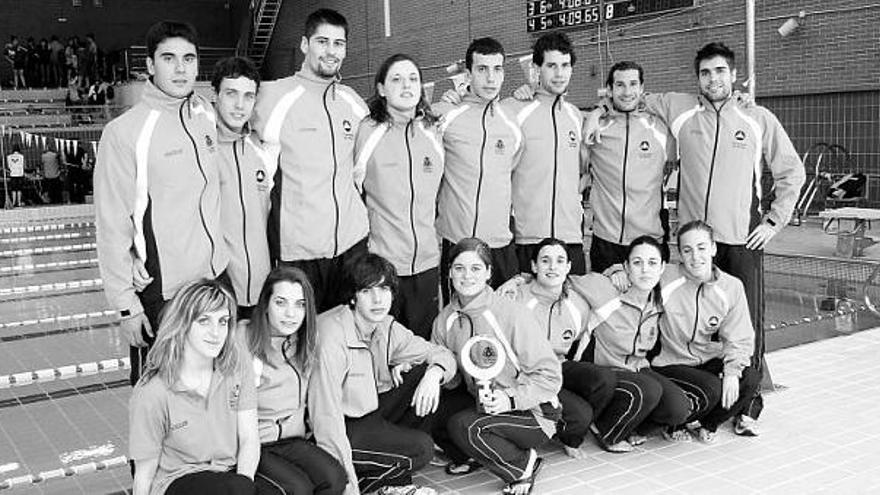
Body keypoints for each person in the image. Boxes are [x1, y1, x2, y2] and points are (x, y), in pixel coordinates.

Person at [635, 42, 806, 425]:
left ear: (733, 75)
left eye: (720, 72)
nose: (713, 79)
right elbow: (632, 96)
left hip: (742, 239)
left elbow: (791, 172)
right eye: (706, 73)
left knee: (747, 324)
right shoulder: (680, 110)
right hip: (697, 247)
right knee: (693, 320)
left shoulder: (757, 118)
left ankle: (748, 403)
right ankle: (708, 395)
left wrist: (773, 222)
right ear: (697, 78)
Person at [95, 20, 229, 385]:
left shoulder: (204, 115)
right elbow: (112, 224)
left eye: (188, 58)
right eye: (169, 58)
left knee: (209, 393)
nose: (181, 68)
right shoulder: (125, 132)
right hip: (162, 293)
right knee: (158, 401)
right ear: (151, 66)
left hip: (212, 281)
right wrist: (126, 304)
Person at [251, 8, 369, 313]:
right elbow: (224, 121)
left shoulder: (352, 102)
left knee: (347, 339)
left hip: (351, 245)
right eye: (322, 41)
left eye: (338, 44)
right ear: (305, 44)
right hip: (299, 252)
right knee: (301, 340)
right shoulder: (272, 97)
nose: (331, 51)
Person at [309, 253, 456, 495]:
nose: (378, 299)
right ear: (353, 297)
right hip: (336, 427)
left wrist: (434, 373)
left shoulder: (385, 327)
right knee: (422, 449)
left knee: (423, 373)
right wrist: (348, 485)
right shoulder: (331, 337)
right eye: (367, 291)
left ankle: (387, 477)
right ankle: (377, 484)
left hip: (369, 412)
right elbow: (325, 417)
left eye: (384, 289)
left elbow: (442, 354)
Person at [432, 237, 561, 495]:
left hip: (533, 410)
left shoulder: (511, 312)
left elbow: (550, 376)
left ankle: (523, 465)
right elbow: (453, 379)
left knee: (464, 426)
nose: (467, 276)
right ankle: (474, 454)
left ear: (489, 272)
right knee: (428, 406)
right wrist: (433, 371)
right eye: (459, 268)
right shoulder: (445, 319)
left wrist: (510, 399)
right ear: (449, 272)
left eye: (476, 268)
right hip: (483, 400)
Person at [128, 279, 258, 495]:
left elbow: (249, 438)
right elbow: (144, 474)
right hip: (177, 481)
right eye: (204, 321)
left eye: (223, 321)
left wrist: (246, 485)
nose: (216, 333)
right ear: (182, 324)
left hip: (228, 476)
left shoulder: (236, 366)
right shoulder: (152, 392)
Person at [568, 236, 699, 451]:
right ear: (627, 266)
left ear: (662, 268)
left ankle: (634, 428)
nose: (645, 270)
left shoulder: (658, 299)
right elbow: (563, 278)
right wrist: (517, 282)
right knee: (649, 389)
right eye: (637, 263)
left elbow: (694, 271)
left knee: (679, 408)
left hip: (637, 367)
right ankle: (607, 431)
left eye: (652, 263)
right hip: (603, 373)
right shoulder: (606, 289)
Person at [353, 53, 444, 339]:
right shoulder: (366, 131)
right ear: (381, 88)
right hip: (383, 267)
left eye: (413, 79)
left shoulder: (432, 132)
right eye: (396, 79)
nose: (406, 86)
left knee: (421, 348)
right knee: (384, 351)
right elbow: (350, 191)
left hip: (428, 265)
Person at [652, 220, 760, 440]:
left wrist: (731, 371)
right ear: (680, 254)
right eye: (687, 250)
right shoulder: (665, 278)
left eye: (701, 248)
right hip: (671, 362)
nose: (695, 257)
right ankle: (676, 424)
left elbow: (740, 338)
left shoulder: (731, 287)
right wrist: (617, 273)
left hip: (706, 360)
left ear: (713, 248)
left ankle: (708, 424)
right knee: (712, 388)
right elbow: (634, 269)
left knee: (749, 377)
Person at [243, 266, 347, 494]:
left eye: (299, 305)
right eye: (280, 303)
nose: (291, 314)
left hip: (293, 439)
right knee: (297, 489)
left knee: (336, 478)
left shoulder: (304, 344)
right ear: (266, 305)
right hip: (255, 443)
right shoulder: (242, 340)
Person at [434, 38, 522, 301]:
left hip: (500, 245)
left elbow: (512, 170)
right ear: (469, 73)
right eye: (482, 69)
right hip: (458, 243)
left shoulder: (512, 122)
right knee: (460, 324)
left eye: (497, 69)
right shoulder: (446, 116)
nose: (490, 77)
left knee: (502, 326)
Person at [512, 238, 617, 457]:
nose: (552, 267)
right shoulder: (517, 298)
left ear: (568, 267)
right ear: (533, 266)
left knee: (604, 381)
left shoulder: (577, 302)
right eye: (545, 260)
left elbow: (609, 284)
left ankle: (568, 431)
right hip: (524, 373)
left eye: (560, 261)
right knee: (580, 413)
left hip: (558, 367)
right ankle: (541, 424)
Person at [505, 33, 587, 275]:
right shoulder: (513, 111)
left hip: (570, 238)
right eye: (551, 66)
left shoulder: (575, 116)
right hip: (527, 238)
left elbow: (584, 171)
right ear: (537, 68)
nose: (559, 73)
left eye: (565, 66)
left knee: (572, 310)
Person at [586, 61, 672, 273]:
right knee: (605, 305)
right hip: (606, 240)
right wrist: (597, 112)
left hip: (649, 241)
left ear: (642, 89)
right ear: (610, 89)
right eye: (620, 85)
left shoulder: (662, 129)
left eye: (633, 84)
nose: (627, 92)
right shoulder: (596, 127)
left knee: (650, 305)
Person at [212, 56, 273, 318]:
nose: (240, 105)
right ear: (215, 95)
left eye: (248, 96)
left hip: (261, 289)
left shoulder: (262, 153)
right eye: (231, 94)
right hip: (217, 290)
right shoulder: (203, 152)